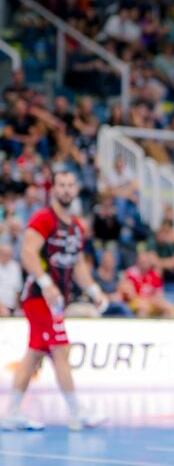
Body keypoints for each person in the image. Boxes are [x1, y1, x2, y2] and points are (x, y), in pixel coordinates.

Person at [2, 170, 108, 431]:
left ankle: (12, 413)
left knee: (35, 354)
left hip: (56, 302)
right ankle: (76, 413)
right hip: (38, 298)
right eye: (61, 185)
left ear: (76, 189)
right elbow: (27, 253)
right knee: (60, 350)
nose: (66, 190)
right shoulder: (43, 218)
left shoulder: (76, 227)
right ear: (53, 189)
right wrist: (46, 283)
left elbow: (79, 263)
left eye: (70, 185)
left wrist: (95, 291)